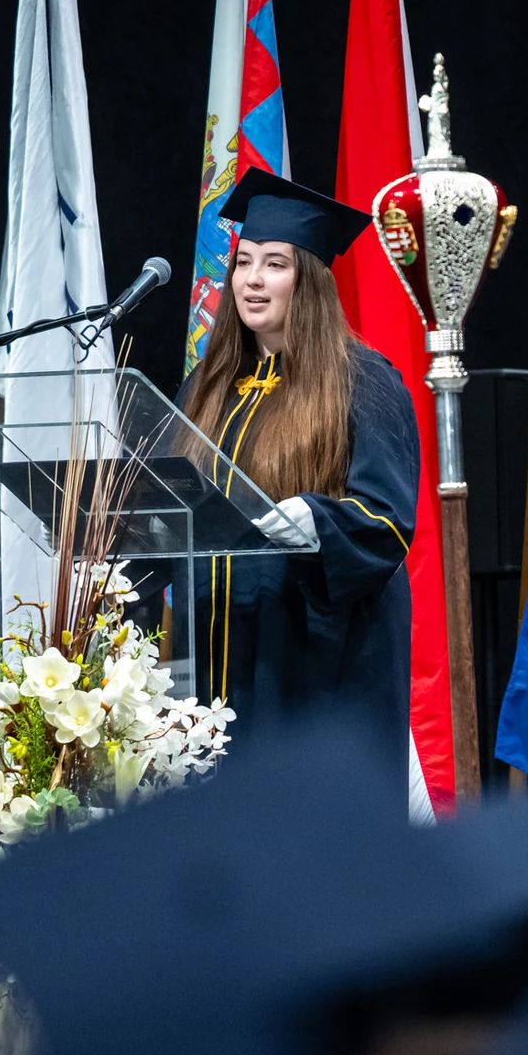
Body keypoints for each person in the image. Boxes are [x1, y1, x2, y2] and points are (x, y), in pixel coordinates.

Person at [173, 169, 423, 811]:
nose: (252, 280)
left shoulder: (363, 382)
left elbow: (388, 521)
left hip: (311, 668)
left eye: (274, 264)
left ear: (306, 280)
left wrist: (314, 520)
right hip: (209, 663)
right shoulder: (208, 387)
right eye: (244, 263)